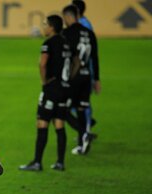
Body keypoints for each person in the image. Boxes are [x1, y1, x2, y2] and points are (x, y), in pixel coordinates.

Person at [19, 15, 72, 172]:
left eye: (45, 25)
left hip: (51, 89)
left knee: (42, 123)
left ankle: (37, 162)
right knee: (59, 124)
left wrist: (44, 82)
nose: (43, 27)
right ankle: (60, 162)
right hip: (64, 89)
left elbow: (42, 64)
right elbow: (75, 63)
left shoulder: (48, 43)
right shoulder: (66, 43)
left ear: (52, 27)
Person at [62, 5, 101, 155]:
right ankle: (81, 145)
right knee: (80, 109)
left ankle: (84, 133)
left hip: (73, 77)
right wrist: (96, 79)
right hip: (87, 77)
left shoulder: (67, 33)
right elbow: (94, 57)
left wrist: (66, 79)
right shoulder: (89, 33)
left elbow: (70, 59)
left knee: (62, 110)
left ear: (68, 16)